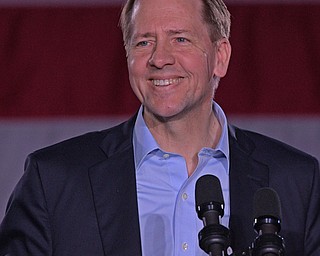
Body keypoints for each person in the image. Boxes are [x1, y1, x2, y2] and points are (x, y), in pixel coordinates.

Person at [0, 0, 319, 255]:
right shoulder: (54, 181)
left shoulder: (296, 181)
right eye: (143, 42)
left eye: (180, 38)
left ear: (220, 57)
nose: (159, 58)